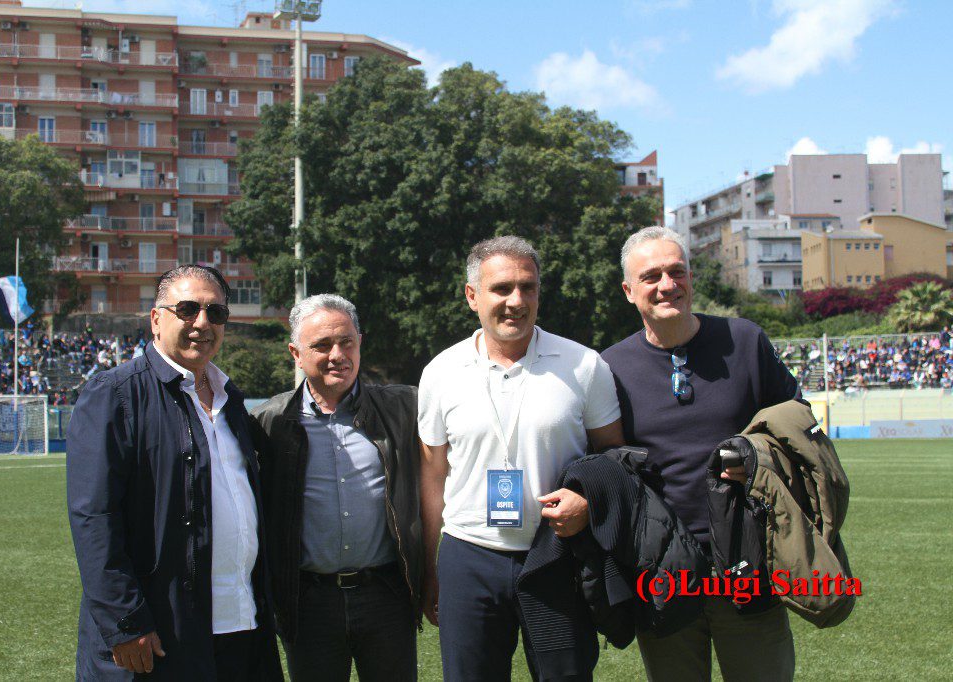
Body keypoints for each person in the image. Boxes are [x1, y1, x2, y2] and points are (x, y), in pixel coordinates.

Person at [418, 236, 624, 681]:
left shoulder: (584, 366)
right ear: (472, 296)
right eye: (502, 288)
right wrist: (429, 566)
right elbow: (433, 473)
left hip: (555, 553)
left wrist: (589, 504)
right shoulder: (440, 372)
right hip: (468, 555)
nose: (517, 301)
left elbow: (615, 458)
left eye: (528, 288)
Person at [600, 226, 799, 682]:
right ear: (629, 291)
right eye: (651, 276)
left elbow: (796, 422)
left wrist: (749, 457)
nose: (667, 284)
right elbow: (607, 463)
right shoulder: (609, 367)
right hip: (664, 572)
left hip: (750, 561)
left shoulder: (744, 340)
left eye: (677, 271)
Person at [67, 265, 283, 681]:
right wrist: (125, 622)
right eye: (187, 309)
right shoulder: (114, 395)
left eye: (215, 313)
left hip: (241, 624)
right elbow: (94, 519)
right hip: (162, 633)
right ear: (156, 319)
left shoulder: (230, 401)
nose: (202, 323)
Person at [252, 294, 421, 682]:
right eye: (322, 345)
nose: (337, 355)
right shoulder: (267, 422)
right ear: (295, 352)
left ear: (360, 342)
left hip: (386, 596)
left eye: (347, 342)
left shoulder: (404, 409)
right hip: (309, 602)